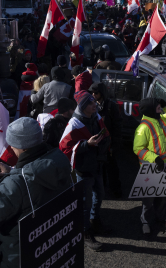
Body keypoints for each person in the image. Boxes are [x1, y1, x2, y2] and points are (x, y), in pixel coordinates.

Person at [0, 117, 72, 268]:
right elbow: (35, 176)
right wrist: (12, 172)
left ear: (22, 147)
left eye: (12, 144)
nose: (11, 148)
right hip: (52, 248)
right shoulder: (59, 159)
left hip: (21, 257)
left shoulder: (16, 184)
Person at [59, 91, 111, 251]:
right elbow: (64, 148)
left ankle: (94, 221)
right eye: (90, 103)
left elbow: (106, 135)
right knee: (84, 203)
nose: (94, 104)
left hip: (97, 166)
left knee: (100, 195)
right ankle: (84, 232)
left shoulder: (96, 118)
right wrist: (86, 145)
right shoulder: (74, 124)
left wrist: (103, 145)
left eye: (93, 101)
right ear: (82, 107)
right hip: (83, 170)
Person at [132, 97, 166, 236]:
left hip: (165, 166)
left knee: (162, 196)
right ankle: (145, 221)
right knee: (148, 200)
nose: (161, 110)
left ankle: (160, 218)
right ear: (151, 110)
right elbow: (138, 148)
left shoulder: (161, 119)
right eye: (158, 108)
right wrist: (155, 159)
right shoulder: (143, 127)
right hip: (151, 168)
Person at [89, 82, 123, 198]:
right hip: (98, 143)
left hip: (109, 143)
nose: (93, 94)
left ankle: (116, 191)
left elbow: (117, 125)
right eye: (92, 92)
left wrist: (115, 143)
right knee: (99, 168)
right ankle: (102, 190)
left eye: (96, 92)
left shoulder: (111, 106)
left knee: (112, 168)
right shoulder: (92, 105)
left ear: (102, 93)